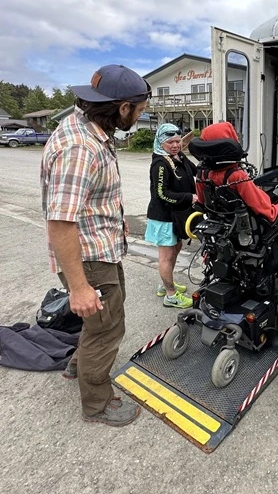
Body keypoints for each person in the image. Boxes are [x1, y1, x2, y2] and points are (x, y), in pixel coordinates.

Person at [41, 64, 151, 427]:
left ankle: (77, 364)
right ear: (122, 108)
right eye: (140, 108)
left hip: (97, 250)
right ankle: (98, 403)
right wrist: (78, 286)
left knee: (97, 319)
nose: (142, 114)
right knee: (107, 326)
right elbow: (61, 221)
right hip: (88, 257)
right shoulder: (81, 147)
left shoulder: (84, 127)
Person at [195, 122, 278, 222]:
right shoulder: (237, 177)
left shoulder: (203, 175)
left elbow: (201, 203)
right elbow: (269, 214)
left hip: (224, 223)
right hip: (254, 227)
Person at [145, 123, 197, 307]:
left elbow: (195, 171)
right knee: (166, 255)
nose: (175, 145)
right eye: (170, 142)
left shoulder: (178, 156)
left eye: (177, 141)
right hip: (163, 217)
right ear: (161, 142)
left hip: (176, 215)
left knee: (176, 248)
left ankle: (165, 284)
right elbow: (161, 193)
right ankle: (170, 294)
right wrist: (189, 197)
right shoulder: (160, 163)